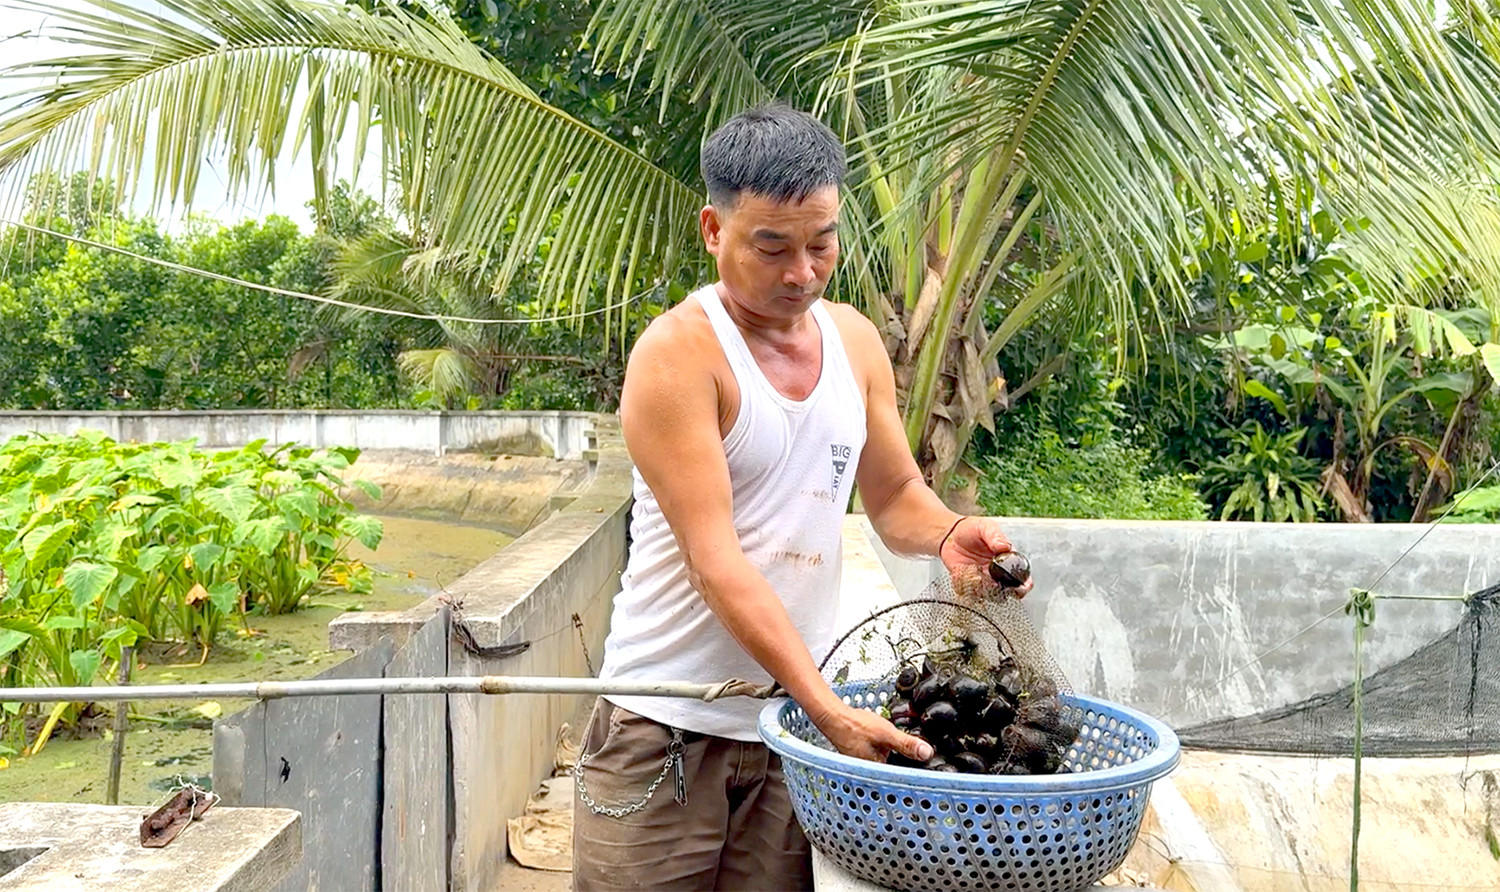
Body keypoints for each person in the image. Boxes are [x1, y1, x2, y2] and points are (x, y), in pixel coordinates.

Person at [571, 103, 1031, 892]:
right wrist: (826, 707)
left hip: (790, 732)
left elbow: (893, 498)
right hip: (666, 726)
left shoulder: (852, 340)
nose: (802, 272)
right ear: (715, 231)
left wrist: (949, 533)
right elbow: (718, 564)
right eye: (771, 246)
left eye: (822, 244)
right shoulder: (679, 358)